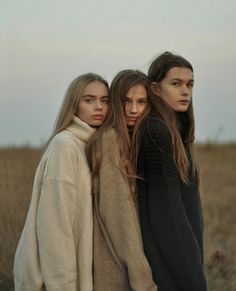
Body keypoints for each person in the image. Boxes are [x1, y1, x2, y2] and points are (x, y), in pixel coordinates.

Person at [13, 73, 109, 291]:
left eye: (105, 100)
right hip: (59, 281)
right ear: (74, 105)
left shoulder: (93, 146)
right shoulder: (65, 144)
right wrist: (63, 285)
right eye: (89, 100)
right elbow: (54, 226)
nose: (99, 107)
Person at [136, 52, 208, 291]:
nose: (185, 91)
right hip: (167, 271)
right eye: (176, 84)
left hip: (179, 266)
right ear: (155, 89)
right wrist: (195, 282)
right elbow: (168, 217)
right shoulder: (157, 132)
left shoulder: (176, 132)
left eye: (190, 84)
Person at [86, 69, 157, 291]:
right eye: (126, 101)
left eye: (141, 102)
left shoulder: (130, 140)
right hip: (117, 269)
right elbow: (118, 214)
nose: (133, 109)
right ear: (116, 103)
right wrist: (143, 280)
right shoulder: (110, 140)